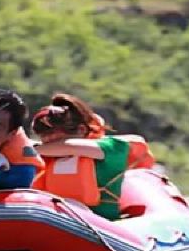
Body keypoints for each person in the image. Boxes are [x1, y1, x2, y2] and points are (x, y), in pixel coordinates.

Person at [31, 92, 155, 220]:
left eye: (53, 133)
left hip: (103, 224)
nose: (47, 139)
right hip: (57, 219)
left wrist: (31, 149)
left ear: (81, 130)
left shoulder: (113, 148)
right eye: (43, 135)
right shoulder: (44, 154)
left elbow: (71, 146)